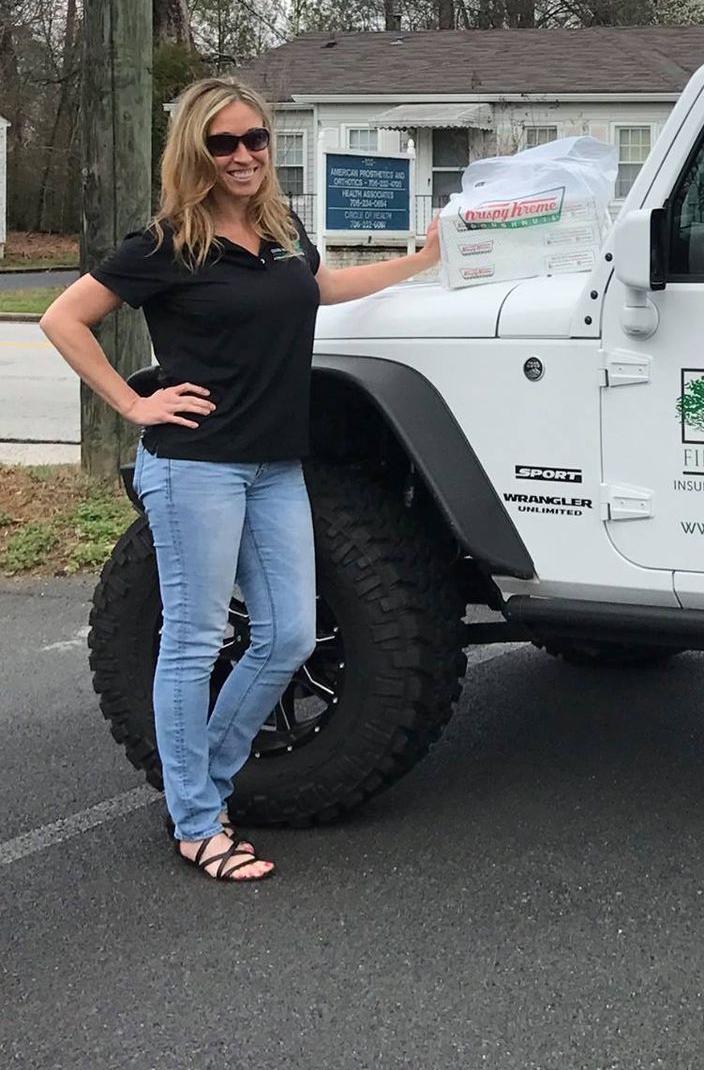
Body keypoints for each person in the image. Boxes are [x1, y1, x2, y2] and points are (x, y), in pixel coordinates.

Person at [40, 77, 440, 882]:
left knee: (289, 635)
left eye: (254, 138)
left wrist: (423, 262)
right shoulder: (166, 245)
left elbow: (321, 289)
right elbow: (64, 318)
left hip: (274, 464)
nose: (243, 155)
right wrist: (133, 403)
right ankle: (196, 821)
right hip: (196, 468)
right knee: (192, 642)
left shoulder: (281, 232)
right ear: (196, 153)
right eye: (223, 143)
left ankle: (207, 781)